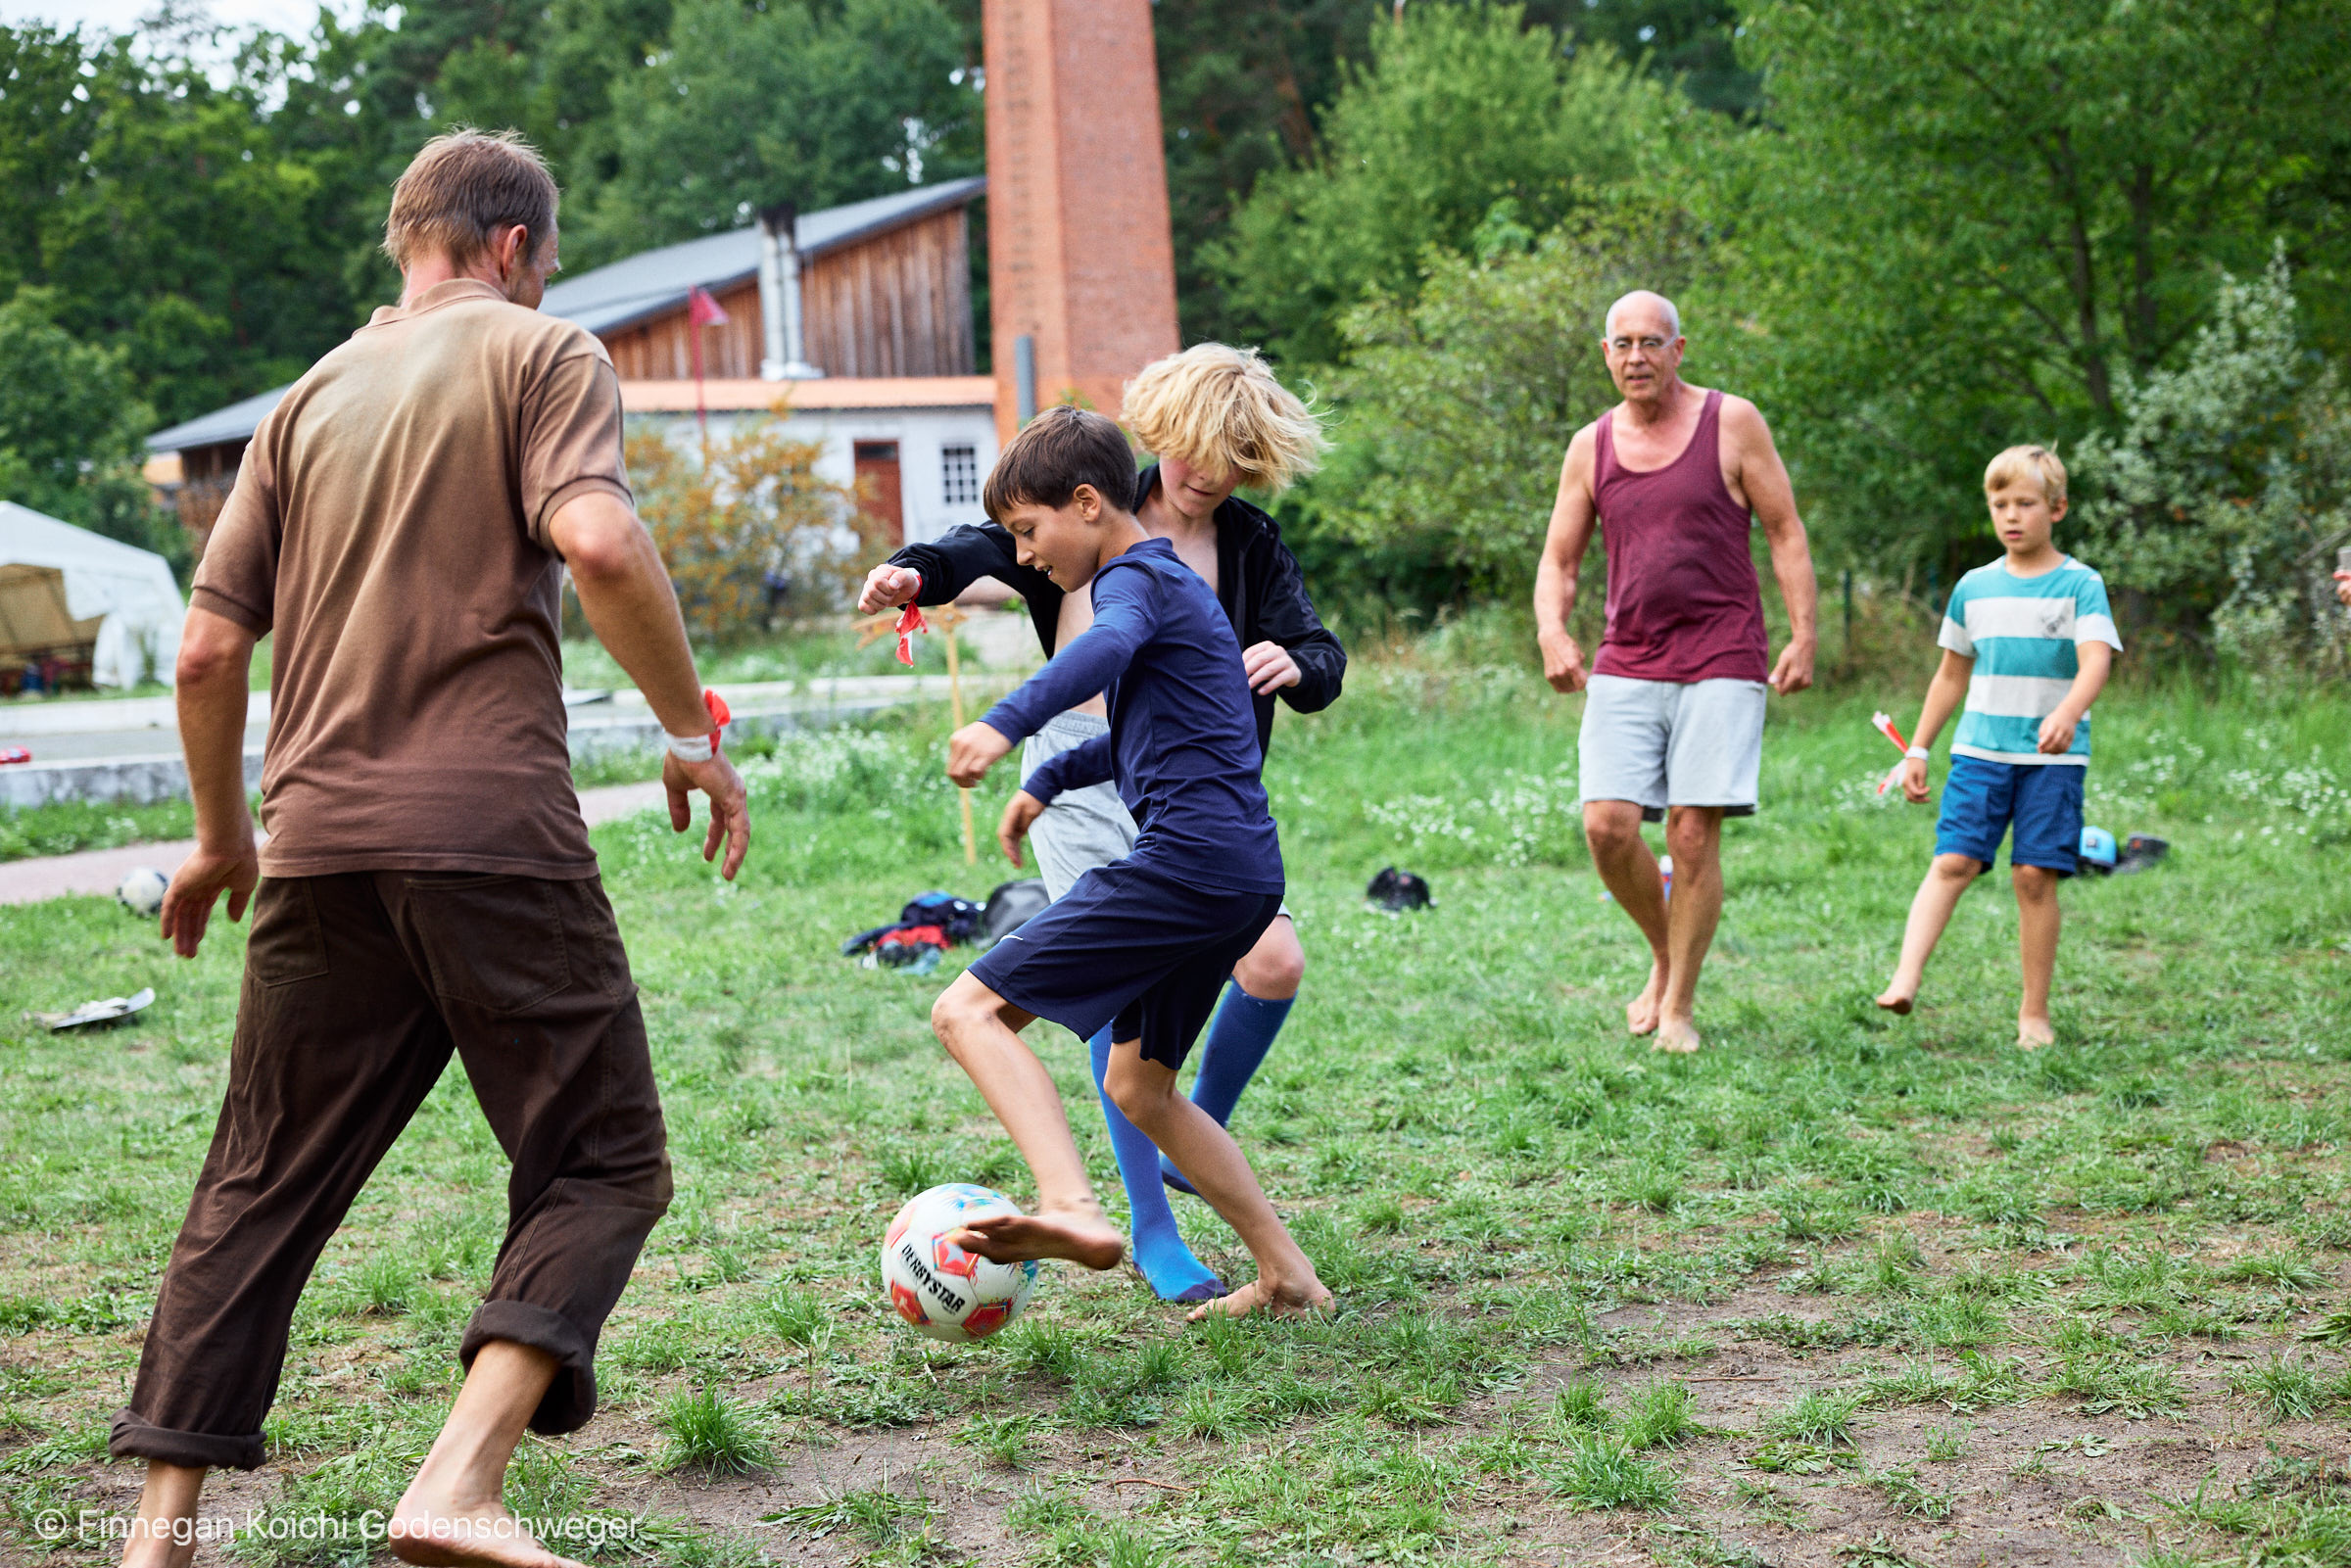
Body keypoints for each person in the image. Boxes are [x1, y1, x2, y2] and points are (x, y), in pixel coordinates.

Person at [112, 130, 749, 1568]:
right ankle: (457, 1484)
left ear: (413, 240)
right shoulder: (545, 354)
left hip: (317, 845)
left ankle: (155, 1537)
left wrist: (224, 837)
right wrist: (688, 727)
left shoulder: (310, 396)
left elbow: (210, 646)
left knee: (257, 1178)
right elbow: (596, 539)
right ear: (514, 248)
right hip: (492, 840)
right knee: (603, 1160)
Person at [861, 343, 1338, 1303]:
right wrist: (1055, 773)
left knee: (967, 1009)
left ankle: (1073, 1202)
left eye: (1034, 536)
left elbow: (1111, 645)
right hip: (1233, 861)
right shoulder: (1158, 570)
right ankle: (1288, 1272)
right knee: (1138, 1084)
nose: (1030, 558)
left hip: (1184, 856)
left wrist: (1004, 723)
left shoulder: (1131, 582)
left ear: (1087, 504)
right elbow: (1151, 727)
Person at [1533, 290, 1819, 1053]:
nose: (1637, 357)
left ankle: (1680, 1006)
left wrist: (1804, 634)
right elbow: (1560, 559)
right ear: (1605, 354)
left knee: (1692, 836)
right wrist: (1552, 629)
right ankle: (1664, 952)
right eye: (1623, 344)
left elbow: (1786, 530)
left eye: (1651, 342)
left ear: (1679, 349)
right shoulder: (1590, 445)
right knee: (1606, 824)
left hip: (1724, 651)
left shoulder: (1733, 422)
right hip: (1628, 653)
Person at [1874, 446, 2119, 1049]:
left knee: (2035, 876)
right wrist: (1919, 750)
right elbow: (1950, 676)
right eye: (1999, 504)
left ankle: (2033, 1014)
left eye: (2026, 504)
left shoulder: (2081, 585)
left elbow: (2097, 662)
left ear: (2056, 508)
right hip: (1980, 754)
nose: (2011, 516)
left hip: (2051, 760)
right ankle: (1906, 977)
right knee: (1952, 862)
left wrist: (2068, 711)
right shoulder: (1973, 588)